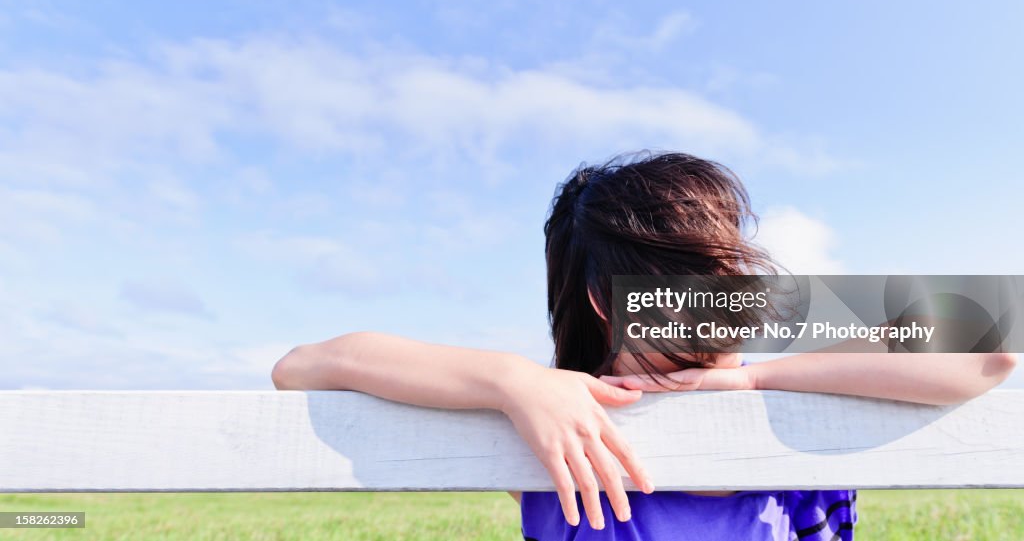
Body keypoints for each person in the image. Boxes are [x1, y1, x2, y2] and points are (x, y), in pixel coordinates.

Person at [271, 151, 1018, 540]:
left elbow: (988, 347)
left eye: (726, 279)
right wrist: (512, 381)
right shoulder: (563, 438)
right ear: (606, 303)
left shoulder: (807, 405)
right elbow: (303, 365)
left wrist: (760, 382)